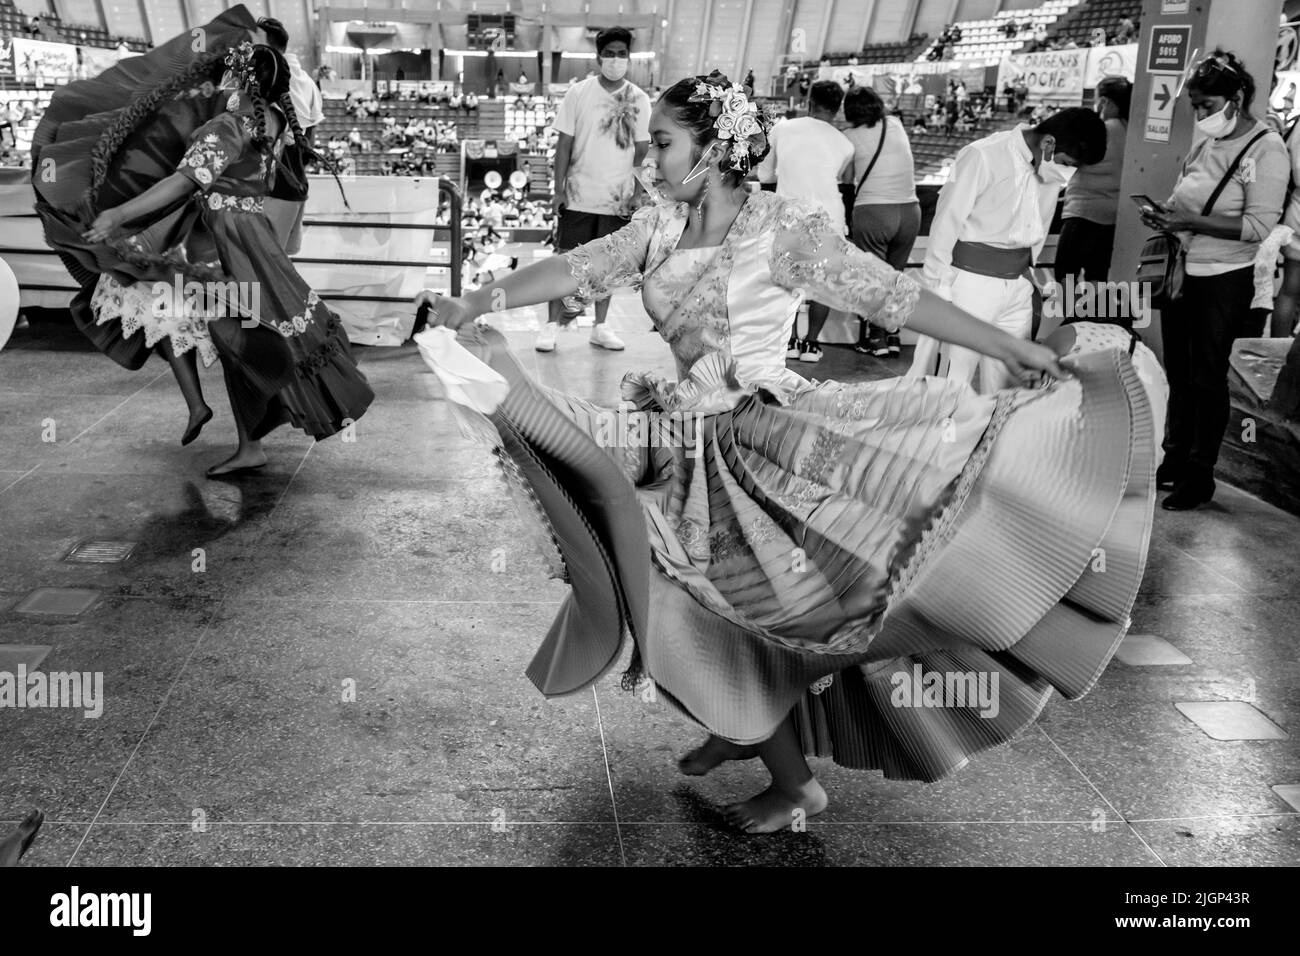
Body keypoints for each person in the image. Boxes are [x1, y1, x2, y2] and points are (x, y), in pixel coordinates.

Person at [413, 71, 1155, 835]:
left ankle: (791, 778)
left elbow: (889, 296)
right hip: (683, 439)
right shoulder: (660, 227)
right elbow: (574, 267)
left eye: (663, 143)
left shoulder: (781, 229)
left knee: (721, 611)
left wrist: (1006, 344)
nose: (649, 159)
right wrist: (475, 302)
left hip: (768, 440)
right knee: (684, 600)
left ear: (713, 148)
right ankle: (745, 723)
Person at [34, 30, 373, 478]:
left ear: (243, 80)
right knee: (247, 333)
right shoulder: (273, 120)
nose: (223, 80)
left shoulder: (229, 126)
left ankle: (248, 435)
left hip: (235, 244)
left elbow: (183, 182)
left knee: (238, 333)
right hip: (254, 236)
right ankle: (252, 433)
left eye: (231, 72)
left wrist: (118, 214)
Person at [1140, 51, 1288, 510]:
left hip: (1225, 279)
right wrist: (1166, 215)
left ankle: (1200, 474)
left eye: (1207, 105)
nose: (1201, 116)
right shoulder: (1207, 143)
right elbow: (1186, 192)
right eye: (1195, 107)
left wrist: (1192, 222)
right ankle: (1174, 458)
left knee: (1207, 378)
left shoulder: (1266, 149)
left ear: (1237, 98)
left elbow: (1260, 227)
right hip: (1185, 270)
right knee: (1180, 373)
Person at [908, 107, 1107, 394]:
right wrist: (938, 287)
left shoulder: (1048, 169)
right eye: (1067, 162)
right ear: (1049, 143)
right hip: (970, 283)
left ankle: (998, 439)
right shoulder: (983, 155)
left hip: (1019, 283)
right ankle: (940, 438)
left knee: (1012, 385)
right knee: (951, 382)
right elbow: (947, 220)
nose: (1067, 170)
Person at [539, 25, 650, 353]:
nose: (616, 59)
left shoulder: (639, 99)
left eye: (622, 54)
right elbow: (564, 145)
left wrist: (636, 191)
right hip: (578, 194)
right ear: (599, 56)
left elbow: (642, 150)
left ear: (629, 57)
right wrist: (559, 190)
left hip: (617, 200)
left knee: (608, 266)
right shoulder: (579, 93)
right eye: (610, 53)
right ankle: (550, 326)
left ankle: (600, 327)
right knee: (565, 263)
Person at [755, 79, 853, 363]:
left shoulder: (782, 129)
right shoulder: (844, 143)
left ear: (809, 99)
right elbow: (840, 179)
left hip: (791, 215)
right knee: (823, 284)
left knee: (788, 281)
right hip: (830, 218)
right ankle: (811, 344)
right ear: (838, 107)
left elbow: (766, 175)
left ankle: (790, 342)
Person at [842, 86, 920, 358]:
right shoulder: (895, 124)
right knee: (895, 277)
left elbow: (847, 179)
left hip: (874, 211)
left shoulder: (848, 137)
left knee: (874, 278)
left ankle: (877, 340)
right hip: (911, 211)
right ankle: (893, 333)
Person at [1054, 77, 1131, 310]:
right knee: (1097, 277)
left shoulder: (1101, 131)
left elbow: (1070, 157)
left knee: (1065, 275)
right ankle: (1093, 324)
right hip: (1111, 218)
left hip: (1082, 213)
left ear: (1105, 102)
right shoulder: (1130, 131)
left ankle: (1072, 321)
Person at [257, 17, 323, 257]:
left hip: (273, 184)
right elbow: (311, 134)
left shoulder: (269, 80)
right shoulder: (308, 83)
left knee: (264, 263)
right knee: (277, 261)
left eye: (253, 40)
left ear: (268, 45)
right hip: (295, 182)